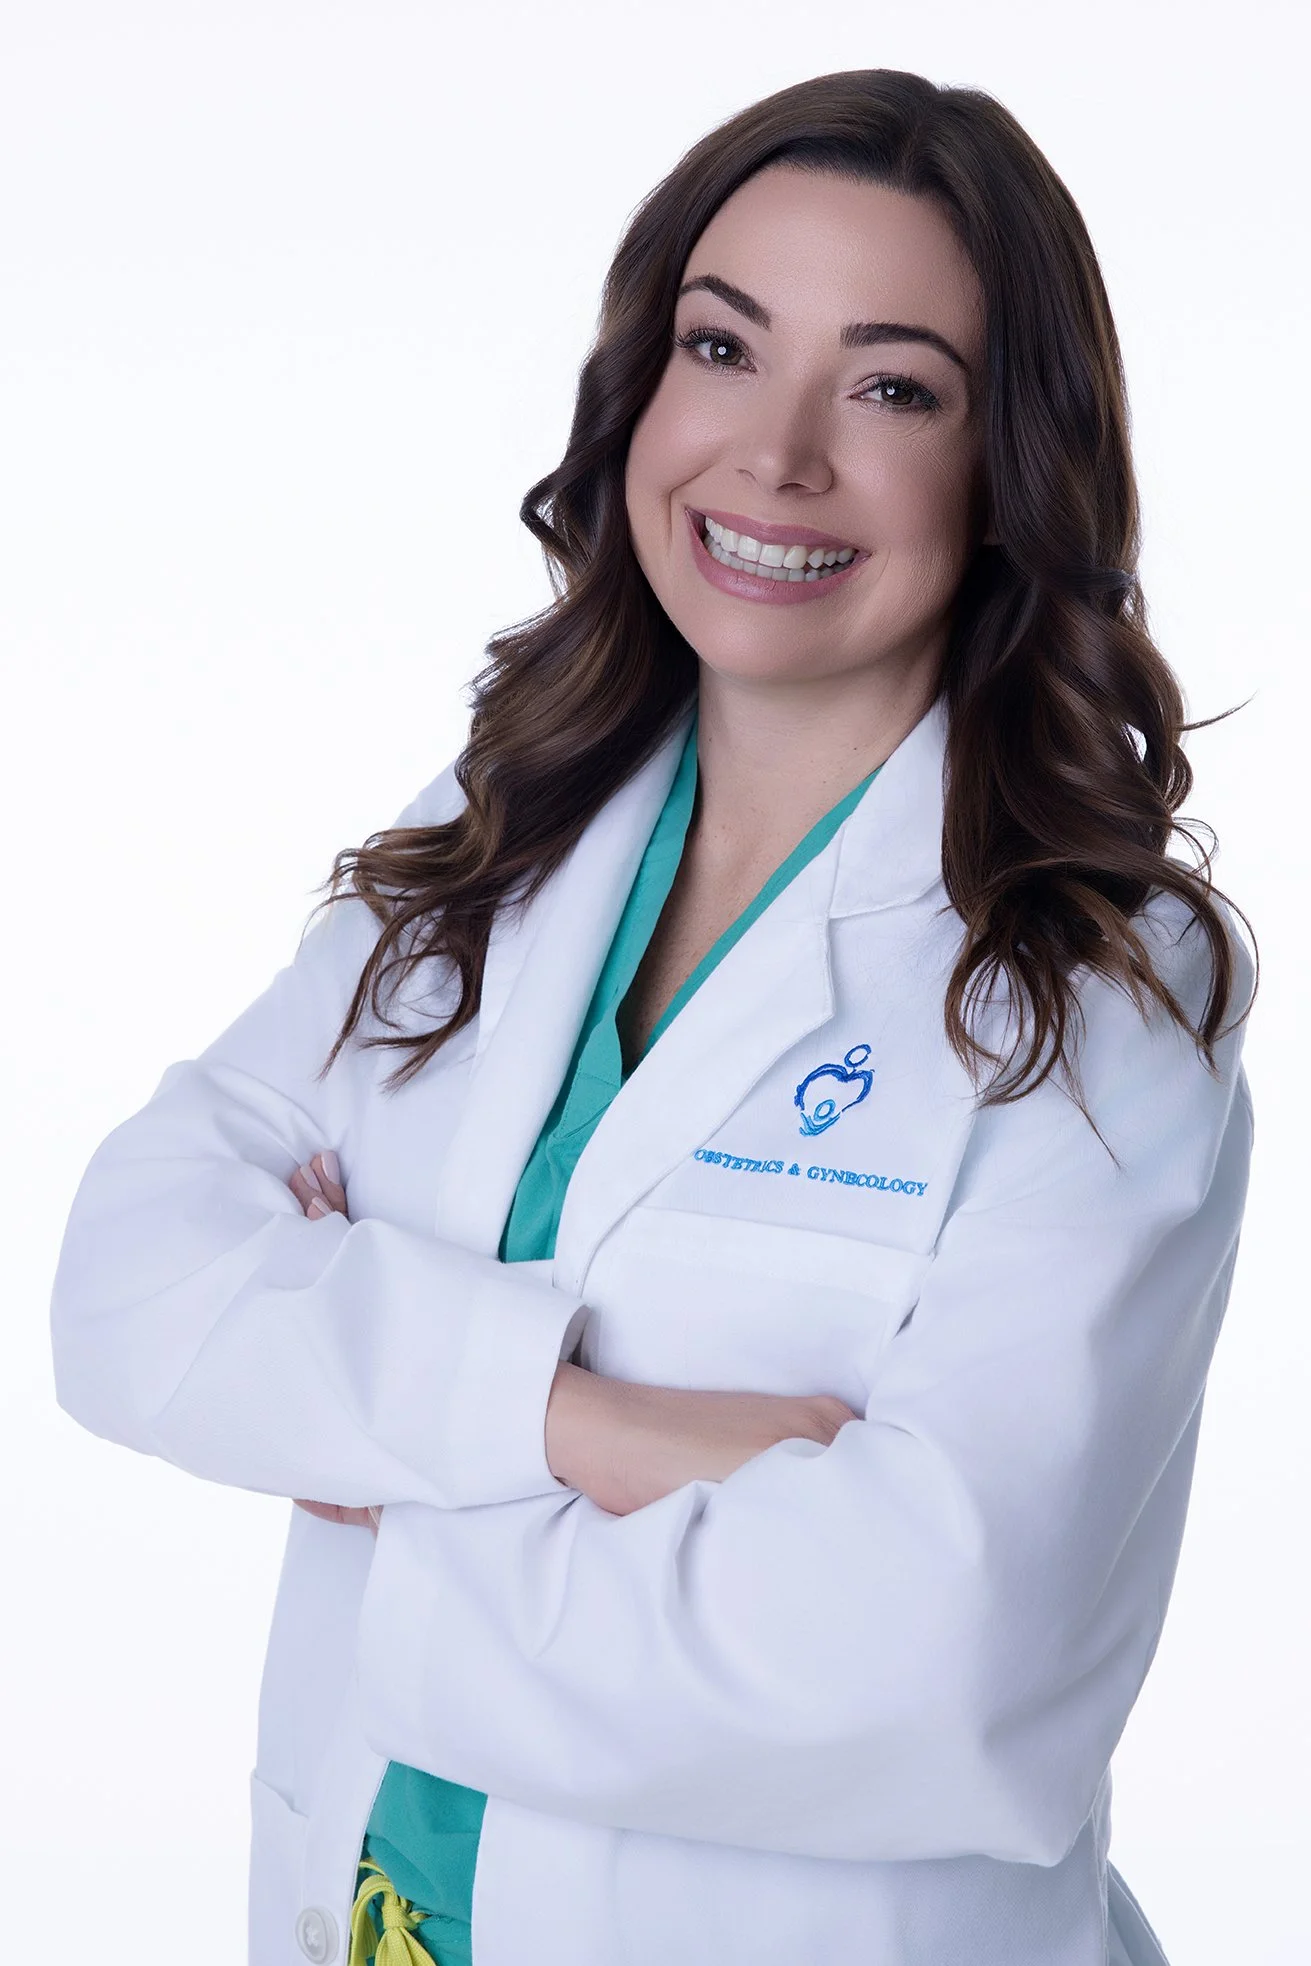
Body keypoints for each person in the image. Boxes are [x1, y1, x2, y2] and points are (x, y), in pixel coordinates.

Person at [49, 65, 1257, 1966]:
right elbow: (129, 1284)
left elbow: (944, 1657)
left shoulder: (1089, 984)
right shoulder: (501, 835)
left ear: (1008, 463)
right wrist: (590, 1427)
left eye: (891, 388)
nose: (775, 456)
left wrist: (383, 1453)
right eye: (722, 346)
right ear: (641, 387)